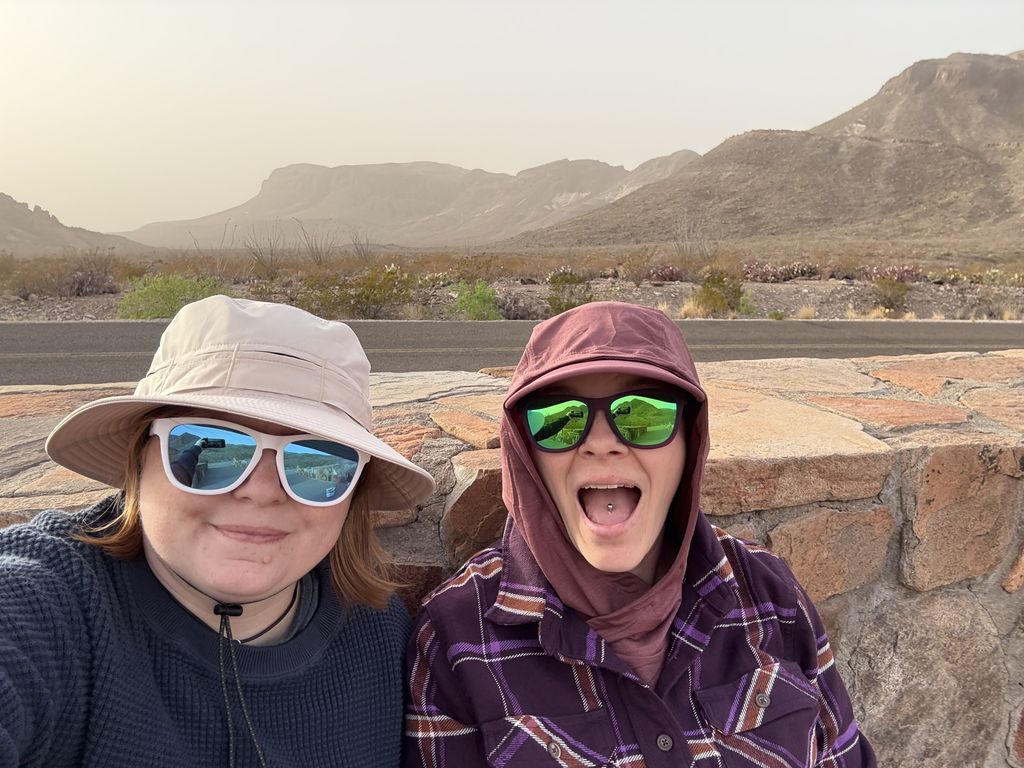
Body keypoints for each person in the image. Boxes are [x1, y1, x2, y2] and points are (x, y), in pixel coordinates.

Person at [404, 301, 875, 767]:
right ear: (527, 455)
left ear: (690, 441)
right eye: (559, 419)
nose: (602, 442)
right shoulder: (458, 634)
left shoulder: (766, 592)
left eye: (642, 414)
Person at [0, 295, 435, 767]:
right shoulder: (53, 604)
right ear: (140, 459)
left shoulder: (377, 632)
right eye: (211, 446)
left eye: (316, 462)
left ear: (351, 494)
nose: (262, 491)